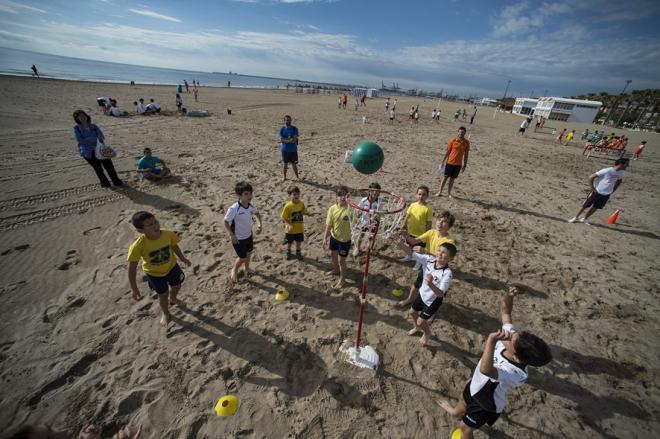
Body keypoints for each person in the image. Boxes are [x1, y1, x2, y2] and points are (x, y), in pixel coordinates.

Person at [438, 286, 552, 438]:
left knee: (464, 429)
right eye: (515, 333)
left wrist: (491, 341)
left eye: (512, 339)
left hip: (485, 404)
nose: (509, 334)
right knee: (462, 402)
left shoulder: (516, 373)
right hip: (475, 385)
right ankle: (454, 412)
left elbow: (486, 370)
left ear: (517, 357)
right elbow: (506, 313)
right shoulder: (512, 340)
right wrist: (509, 297)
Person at [127, 211, 192, 326]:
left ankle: (173, 298)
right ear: (140, 230)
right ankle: (166, 313)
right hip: (154, 274)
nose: (155, 225)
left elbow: (174, 245)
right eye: (150, 225)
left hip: (172, 267)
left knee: (177, 285)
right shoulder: (137, 246)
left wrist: (182, 258)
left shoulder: (167, 234)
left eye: (155, 222)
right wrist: (134, 288)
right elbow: (132, 268)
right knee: (163, 294)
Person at [394, 235, 456, 346]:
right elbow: (412, 254)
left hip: (433, 300)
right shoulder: (429, 260)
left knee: (421, 320)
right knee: (412, 312)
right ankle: (418, 328)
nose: (439, 254)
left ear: (450, 259)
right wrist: (402, 245)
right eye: (439, 251)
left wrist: (430, 284)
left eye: (443, 253)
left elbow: (440, 294)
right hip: (422, 294)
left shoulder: (447, 273)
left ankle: (427, 333)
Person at [399, 211, 456, 308]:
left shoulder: (449, 241)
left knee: (435, 290)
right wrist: (406, 236)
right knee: (417, 284)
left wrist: (426, 252)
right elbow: (414, 241)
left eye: (444, 222)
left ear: (449, 226)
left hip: (439, 268)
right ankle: (409, 299)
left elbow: (443, 257)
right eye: (439, 220)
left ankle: (431, 307)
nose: (440, 223)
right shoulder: (431, 232)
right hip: (427, 265)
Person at [567, 158, 629, 225]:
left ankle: (584, 218)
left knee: (596, 207)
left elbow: (619, 181)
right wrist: (593, 188)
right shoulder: (607, 170)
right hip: (597, 191)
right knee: (585, 205)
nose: (628, 165)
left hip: (607, 194)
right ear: (621, 164)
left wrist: (613, 189)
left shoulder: (621, 173)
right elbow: (591, 177)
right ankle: (575, 217)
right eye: (626, 164)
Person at [224, 181, 262, 284]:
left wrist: (259, 225)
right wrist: (232, 235)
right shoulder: (234, 208)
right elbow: (226, 222)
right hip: (238, 238)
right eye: (246, 194)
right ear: (239, 195)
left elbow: (257, 214)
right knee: (242, 257)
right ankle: (234, 270)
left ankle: (247, 268)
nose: (249, 196)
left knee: (249, 252)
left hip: (248, 235)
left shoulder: (251, 205)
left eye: (250, 193)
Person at [73, 110, 123, 188]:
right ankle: (105, 184)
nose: (82, 117)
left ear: (86, 116)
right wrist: (94, 139)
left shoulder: (93, 126)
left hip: (101, 149)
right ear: (77, 119)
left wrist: (90, 139)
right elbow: (81, 141)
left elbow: (101, 136)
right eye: (79, 116)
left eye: (83, 115)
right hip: (88, 152)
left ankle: (117, 182)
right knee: (98, 169)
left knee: (109, 167)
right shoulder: (76, 129)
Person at [322, 186, 352, 288]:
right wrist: (325, 238)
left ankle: (342, 280)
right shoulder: (332, 209)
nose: (343, 197)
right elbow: (328, 225)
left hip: (345, 240)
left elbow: (357, 220)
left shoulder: (351, 209)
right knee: (333, 256)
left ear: (348, 196)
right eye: (340, 195)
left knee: (341, 261)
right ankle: (335, 269)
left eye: (345, 195)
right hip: (334, 238)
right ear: (336, 197)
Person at [399, 185, 433, 263]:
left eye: (423, 194)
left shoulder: (428, 208)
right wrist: (403, 226)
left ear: (427, 196)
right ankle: (409, 256)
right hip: (411, 231)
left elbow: (429, 222)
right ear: (416, 194)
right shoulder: (412, 205)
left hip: (421, 234)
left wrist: (427, 234)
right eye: (419, 194)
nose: (421, 196)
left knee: (418, 248)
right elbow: (407, 217)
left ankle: (418, 261)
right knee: (410, 244)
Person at [436, 126, 470, 197]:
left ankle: (449, 193)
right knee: (445, 177)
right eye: (460, 132)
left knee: (452, 179)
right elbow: (447, 152)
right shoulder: (452, 141)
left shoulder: (466, 142)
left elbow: (466, 154)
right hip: (450, 162)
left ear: (465, 133)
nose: (461, 133)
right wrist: (443, 161)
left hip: (458, 164)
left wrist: (465, 165)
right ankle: (440, 191)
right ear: (458, 132)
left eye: (462, 132)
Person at [280, 185, 309, 260]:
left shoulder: (301, 203)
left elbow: (303, 211)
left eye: (298, 194)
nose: (296, 196)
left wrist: (307, 213)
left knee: (298, 242)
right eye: (294, 194)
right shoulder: (288, 206)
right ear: (290, 195)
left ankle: (298, 252)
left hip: (299, 228)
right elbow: (283, 217)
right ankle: (288, 252)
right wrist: (289, 224)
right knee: (289, 242)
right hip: (290, 230)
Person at [353, 182, 381, 257]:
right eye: (373, 191)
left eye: (377, 191)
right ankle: (357, 248)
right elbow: (358, 209)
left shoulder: (379, 203)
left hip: (373, 223)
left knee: (371, 238)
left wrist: (375, 215)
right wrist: (358, 215)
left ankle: (370, 249)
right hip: (364, 221)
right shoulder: (364, 200)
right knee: (361, 235)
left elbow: (379, 215)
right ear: (369, 191)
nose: (375, 192)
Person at [279, 114, 300, 181]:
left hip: (293, 150)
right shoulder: (282, 129)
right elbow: (281, 139)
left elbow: (294, 140)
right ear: (284, 121)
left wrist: (286, 140)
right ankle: (284, 177)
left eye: (289, 120)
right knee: (285, 164)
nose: (288, 121)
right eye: (286, 120)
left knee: (294, 164)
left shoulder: (294, 129)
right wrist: (289, 140)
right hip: (284, 150)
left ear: (291, 120)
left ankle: (297, 177)